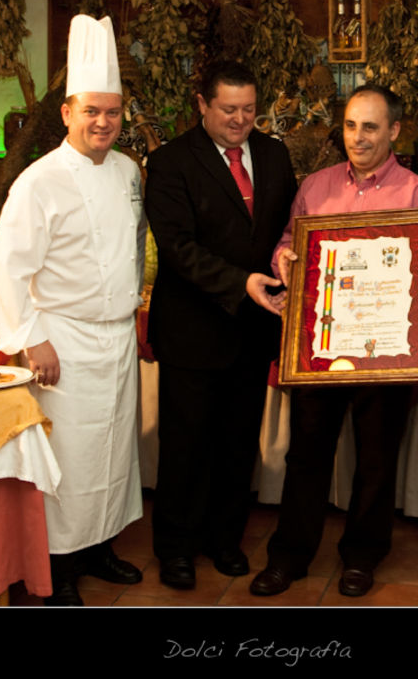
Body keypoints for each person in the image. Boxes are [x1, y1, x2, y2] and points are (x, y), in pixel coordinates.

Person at [249, 84, 418, 598]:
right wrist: (283, 260)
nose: (358, 137)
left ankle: (361, 555)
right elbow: (290, 243)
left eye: (371, 127)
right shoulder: (316, 186)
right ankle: (289, 556)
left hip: (386, 349)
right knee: (306, 454)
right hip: (321, 343)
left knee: (376, 459)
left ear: (395, 132)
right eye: (351, 125)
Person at [0, 15, 147, 607]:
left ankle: (98, 546)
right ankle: (51, 572)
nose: (103, 123)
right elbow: (5, 267)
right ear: (67, 113)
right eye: (91, 112)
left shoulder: (129, 171)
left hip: (116, 337)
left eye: (112, 111)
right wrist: (32, 339)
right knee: (66, 464)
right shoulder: (38, 181)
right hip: (65, 341)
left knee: (112, 451)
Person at [143, 60, 299, 590]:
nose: (240, 120)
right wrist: (242, 283)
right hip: (193, 328)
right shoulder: (169, 163)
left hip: (255, 329)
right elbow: (179, 249)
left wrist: (287, 257)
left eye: (249, 110)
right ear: (202, 105)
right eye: (229, 109)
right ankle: (176, 547)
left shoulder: (276, 155)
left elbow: (286, 231)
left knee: (238, 441)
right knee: (187, 444)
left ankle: (224, 538)